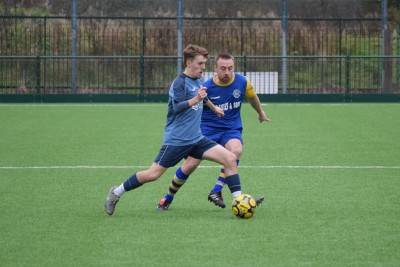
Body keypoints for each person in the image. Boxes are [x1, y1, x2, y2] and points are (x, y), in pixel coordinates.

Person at [104, 45, 245, 216]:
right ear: (188, 62)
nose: (203, 67)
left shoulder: (198, 80)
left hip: (197, 139)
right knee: (152, 174)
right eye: (200, 63)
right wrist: (196, 99)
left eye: (204, 64)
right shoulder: (179, 83)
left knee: (230, 158)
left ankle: (239, 201)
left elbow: (203, 96)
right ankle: (116, 192)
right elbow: (176, 108)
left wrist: (214, 108)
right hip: (177, 141)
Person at [156, 53, 271, 211]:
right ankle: (167, 198)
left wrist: (261, 112)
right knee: (190, 165)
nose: (227, 72)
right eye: (223, 68)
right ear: (215, 68)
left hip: (230, 129)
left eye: (230, 68)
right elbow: (189, 106)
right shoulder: (206, 86)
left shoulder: (242, 82)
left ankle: (217, 190)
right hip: (206, 129)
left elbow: (252, 97)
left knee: (236, 150)